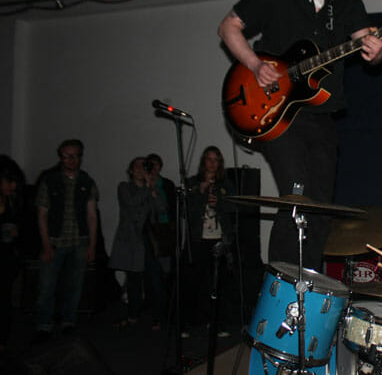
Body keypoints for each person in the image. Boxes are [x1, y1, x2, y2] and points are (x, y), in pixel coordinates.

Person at [217, 0, 382, 272]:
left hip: (323, 115)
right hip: (277, 111)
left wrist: (377, 50)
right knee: (297, 196)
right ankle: (280, 285)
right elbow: (228, 28)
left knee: (320, 206)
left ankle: (308, 283)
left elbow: (368, 45)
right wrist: (254, 64)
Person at [34, 139, 98, 340]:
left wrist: (92, 245)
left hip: (79, 242)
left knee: (74, 286)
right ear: (60, 157)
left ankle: (69, 320)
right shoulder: (50, 180)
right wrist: (46, 245)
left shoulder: (86, 181)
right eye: (66, 156)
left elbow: (91, 216)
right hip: (55, 241)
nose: (71, 160)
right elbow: (42, 215)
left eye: (74, 156)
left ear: (80, 157)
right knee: (47, 286)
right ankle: (44, 323)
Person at [108, 157, 169, 330]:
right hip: (132, 240)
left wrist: (153, 189)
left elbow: (162, 208)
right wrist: (147, 188)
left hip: (149, 240)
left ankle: (158, 317)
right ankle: (133, 315)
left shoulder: (151, 188)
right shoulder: (124, 187)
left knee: (155, 279)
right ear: (131, 170)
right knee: (134, 280)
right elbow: (131, 202)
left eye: (144, 166)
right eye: (137, 166)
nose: (141, 169)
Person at [182, 146, 237, 338]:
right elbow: (185, 211)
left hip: (219, 240)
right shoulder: (193, 183)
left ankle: (217, 323)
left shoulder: (226, 184)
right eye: (209, 159)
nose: (212, 163)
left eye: (216, 159)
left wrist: (219, 202)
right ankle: (189, 323)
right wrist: (199, 192)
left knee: (218, 284)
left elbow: (234, 207)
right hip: (198, 240)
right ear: (203, 161)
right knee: (194, 282)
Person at [0, 155, 25, 351]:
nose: (13, 186)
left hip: (6, 261)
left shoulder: (11, 201)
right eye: (9, 181)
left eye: (15, 181)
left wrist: (16, 230)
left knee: (4, 304)